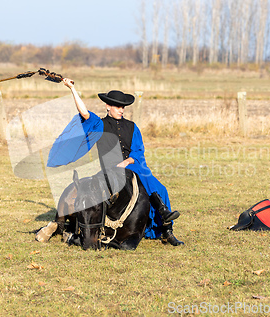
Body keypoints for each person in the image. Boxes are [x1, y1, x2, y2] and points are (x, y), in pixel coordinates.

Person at [50, 78, 184, 246]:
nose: (122, 110)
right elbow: (84, 113)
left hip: (133, 164)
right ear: (108, 107)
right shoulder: (100, 125)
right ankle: (159, 210)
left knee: (159, 187)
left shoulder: (132, 126)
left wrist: (127, 162)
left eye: (123, 107)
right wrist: (72, 89)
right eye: (118, 107)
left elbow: (138, 151)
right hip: (111, 169)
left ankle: (167, 231)